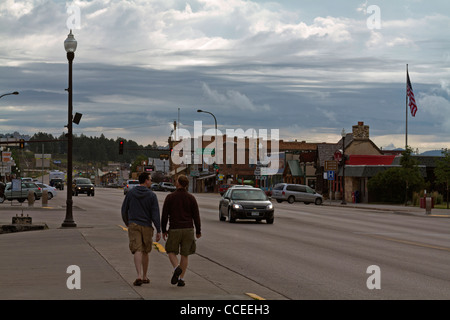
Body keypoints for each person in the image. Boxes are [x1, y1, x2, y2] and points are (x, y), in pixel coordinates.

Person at [121, 172, 161, 286]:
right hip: (147, 226)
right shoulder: (152, 195)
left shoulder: (131, 193)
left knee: (137, 250)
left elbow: (124, 209)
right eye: (150, 179)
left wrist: (127, 222)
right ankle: (144, 276)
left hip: (134, 224)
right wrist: (158, 229)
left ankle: (138, 275)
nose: (151, 181)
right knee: (145, 251)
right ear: (146, 181)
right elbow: (155, 214)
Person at [162, 175, 201, 287]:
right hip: (188, 229)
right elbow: (196, 216)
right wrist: (198, 230)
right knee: (185, 254)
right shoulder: (191, 198)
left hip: (175, 228)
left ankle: (176, 268)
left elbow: (165, 215)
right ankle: (181, 279)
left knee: (170, 251)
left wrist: (164, 229)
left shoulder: (170, 197)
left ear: (178, 183)